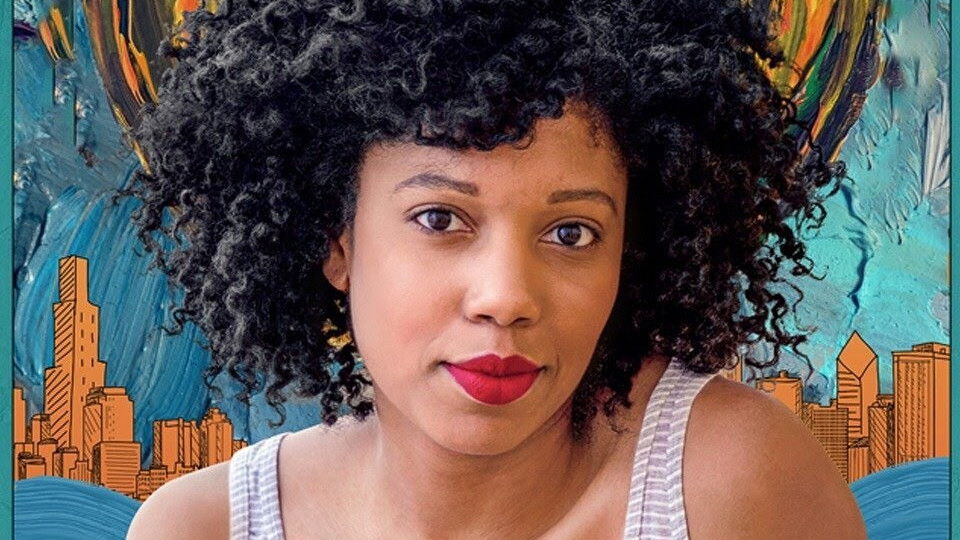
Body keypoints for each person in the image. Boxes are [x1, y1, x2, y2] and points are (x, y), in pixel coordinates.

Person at [124, 0, 867, 538]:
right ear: (336, 242)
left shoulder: (730, 485)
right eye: (440, 219)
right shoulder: (203, 528)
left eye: (572, 233)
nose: (506, 297)